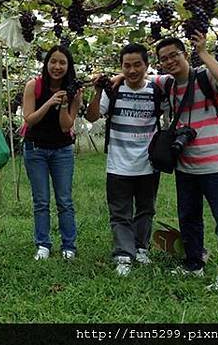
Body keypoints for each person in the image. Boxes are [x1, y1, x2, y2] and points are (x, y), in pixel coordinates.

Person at [153, 32, 218, 291]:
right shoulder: (167, 84)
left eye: (174, 55)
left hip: (215, 163)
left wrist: (203, 52)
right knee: (189, 217)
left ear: (184, 54)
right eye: (164, 59)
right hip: (186, 164)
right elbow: (141, 78)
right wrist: (115, 77)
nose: (169, 61)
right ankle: (194, 264)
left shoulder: (205, 77)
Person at [85, 43, 162, 276]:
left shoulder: (157, 91)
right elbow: (92, 116)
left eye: (137, 64)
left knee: (146, 209)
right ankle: (123, 253)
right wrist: (98, 90)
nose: (132, 70)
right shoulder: (113, 91)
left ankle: (141, 247)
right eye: (126, 66)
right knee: (120, 211)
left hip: (148, 163)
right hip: (118, 162)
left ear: (147, 66)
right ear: (121, 67)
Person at [22, 46, 82, 261]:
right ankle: (43, 244)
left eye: (62, 63)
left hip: (62, 151)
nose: (57, 66)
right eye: (53, 62)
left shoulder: (74, 91)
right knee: (41, 201)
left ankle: (69, 246)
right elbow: (29, 119)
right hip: (35, 149)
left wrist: (65, 104)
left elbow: (66, 126)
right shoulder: (33, 86)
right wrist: (49, 102)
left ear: (68, 66)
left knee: (65, 200)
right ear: (46, 64)